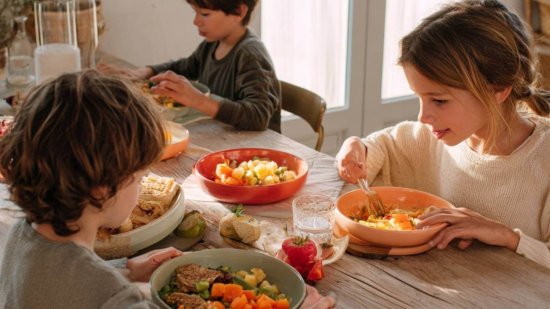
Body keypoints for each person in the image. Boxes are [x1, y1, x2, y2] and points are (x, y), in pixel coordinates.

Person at [336, 0, 550, 268]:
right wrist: (357, 147)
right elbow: (385, 147)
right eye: (420, 98)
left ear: (499, 89)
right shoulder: (434, 136)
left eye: (438, 101)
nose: (423, 116)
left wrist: (508, 237)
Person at [0, 70, 183, 308]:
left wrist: (124, 271)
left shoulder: (20, 235)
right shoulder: (116, 300)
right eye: (140, 178)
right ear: (101, 189)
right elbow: (96, 292)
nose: (141, 187)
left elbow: (60, 282)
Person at [99, 0, 281, 132]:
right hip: (223, 136)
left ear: (239, 12)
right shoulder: (213, 43)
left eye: (204, 14)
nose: (196, 21)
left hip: (258, 153)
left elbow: (258, 117)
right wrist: (145, 72)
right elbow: (186, 67)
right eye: (195, 12)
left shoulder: (250, 54)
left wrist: (199, 100)